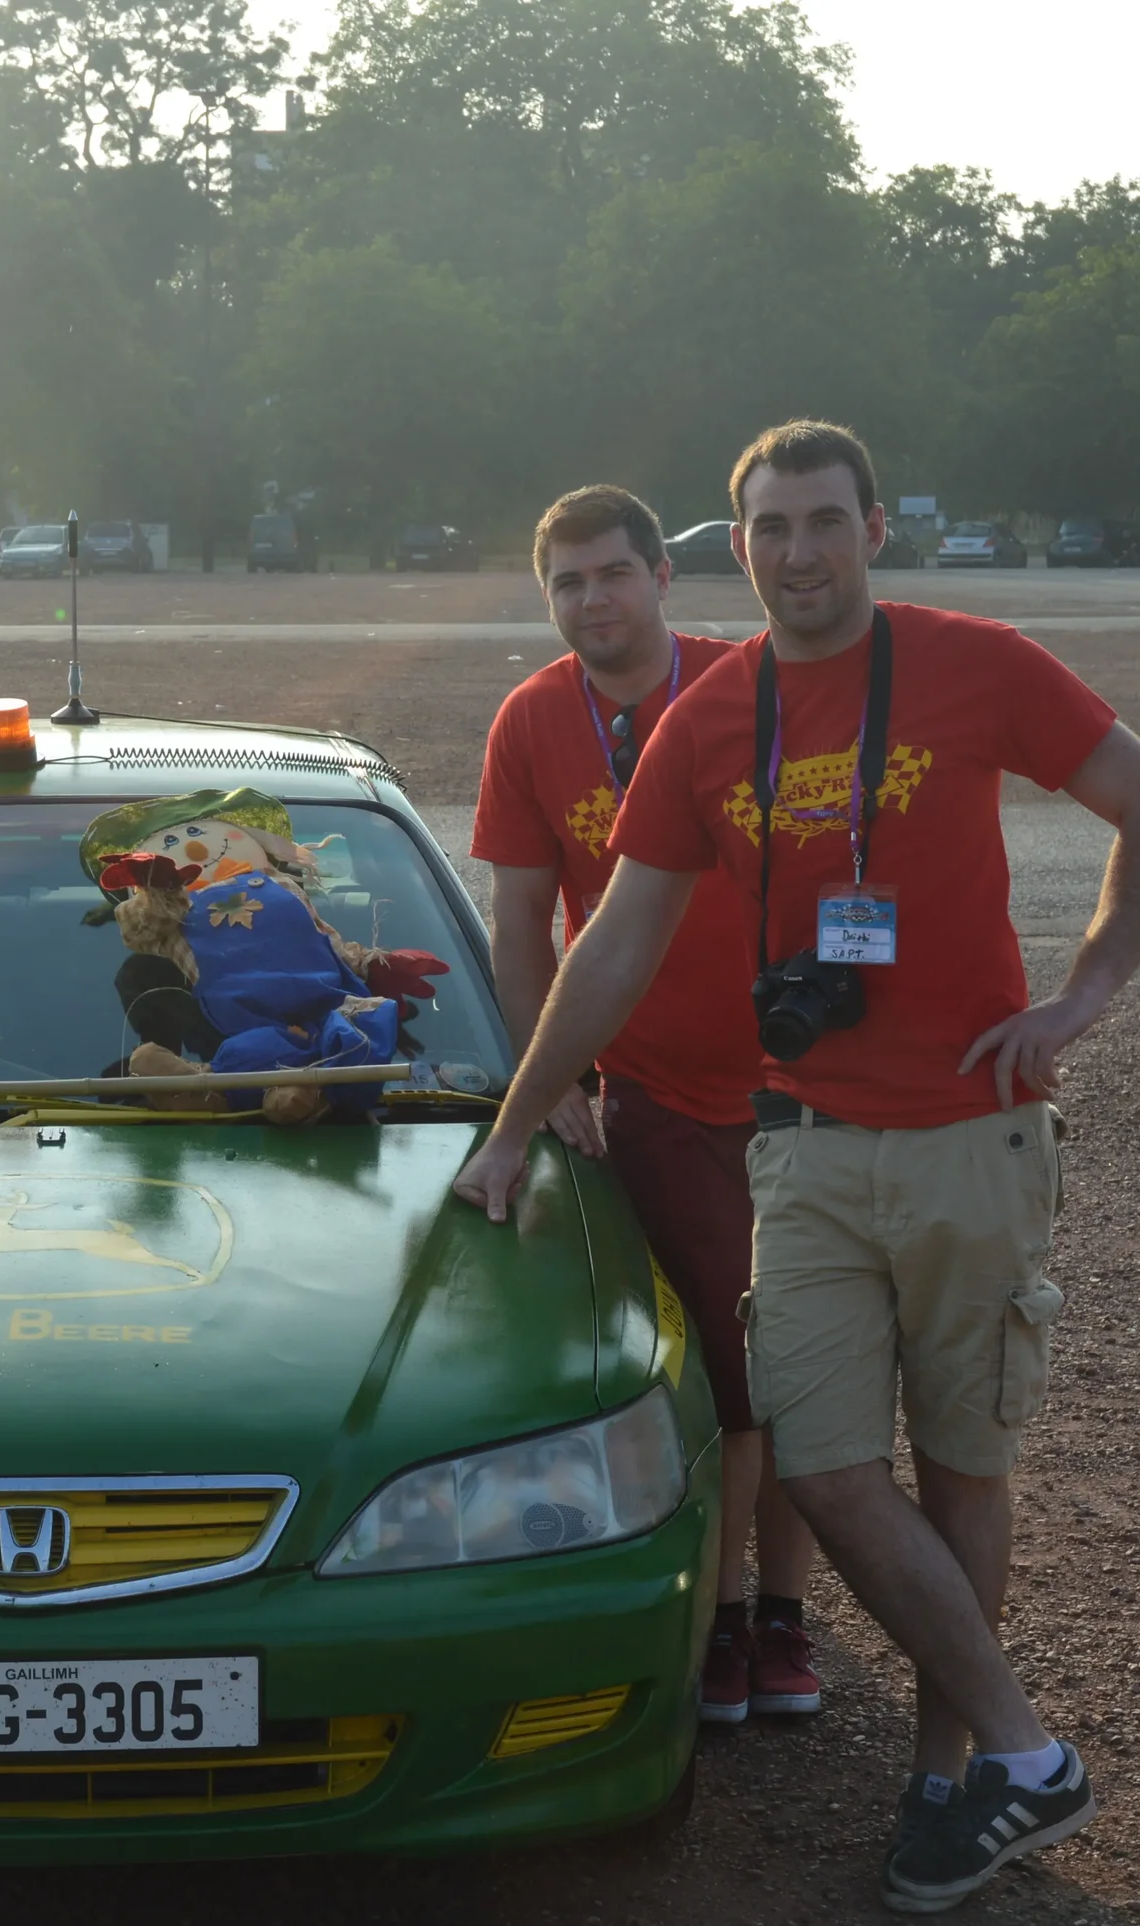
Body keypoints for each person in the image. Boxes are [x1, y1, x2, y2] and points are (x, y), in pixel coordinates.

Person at [456, 422, 1140, 1912]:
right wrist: (523, 1114)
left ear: (873, 527)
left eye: (823, 521)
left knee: (963, 1463)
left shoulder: (974, 660)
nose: (798, 553)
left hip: (970, 1137)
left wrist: (1083, 995)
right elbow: (613, 939)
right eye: (770, 528)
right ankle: (1025, 1746)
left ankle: (953, 1783)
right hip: (798, 1138)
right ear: (737, 549)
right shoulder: (713, 718)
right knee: (822, 1459)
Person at [472, 484, 820, 1726]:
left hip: (797, 1090)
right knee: (728, 1371)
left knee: (803, 1367)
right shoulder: (530, 721)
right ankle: (720, 1618)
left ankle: (780, 1613)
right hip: (654, 1096)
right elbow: (518, 924)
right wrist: (546, 1077)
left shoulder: (752, 688)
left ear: (663, 579)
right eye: (566, 583)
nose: (592, 601)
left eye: (613, 573)